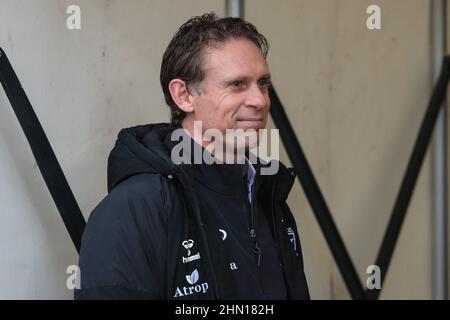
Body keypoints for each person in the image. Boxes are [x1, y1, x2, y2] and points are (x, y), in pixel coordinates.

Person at [75, 12, 309, 300]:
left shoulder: (267, 196)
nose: (260, 100)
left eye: (262, 83)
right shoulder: (135, 208)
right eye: (237, 84)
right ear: (184, 96)